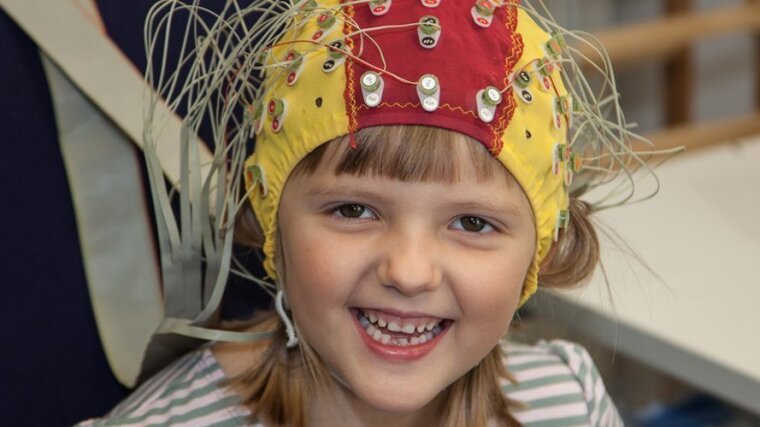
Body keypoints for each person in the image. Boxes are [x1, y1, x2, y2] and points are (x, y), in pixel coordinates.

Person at [79, 0, 654, 425]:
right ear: (272, 214)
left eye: (472, 223)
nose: (408, 272)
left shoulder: (572, 403)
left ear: (543, 247)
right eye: (354, 209)